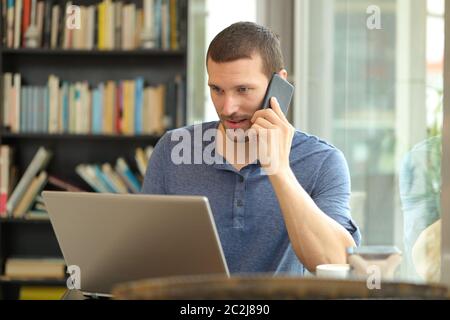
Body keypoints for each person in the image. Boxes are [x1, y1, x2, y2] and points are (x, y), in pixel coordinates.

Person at [142, 22, 361, 275]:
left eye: (243, 90)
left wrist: (279, 170)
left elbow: (338, 262)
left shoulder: (323, 161)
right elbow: (147, 257)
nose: (228, 108)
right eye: (217, 90)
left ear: (278, 84)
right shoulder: (172, 150)